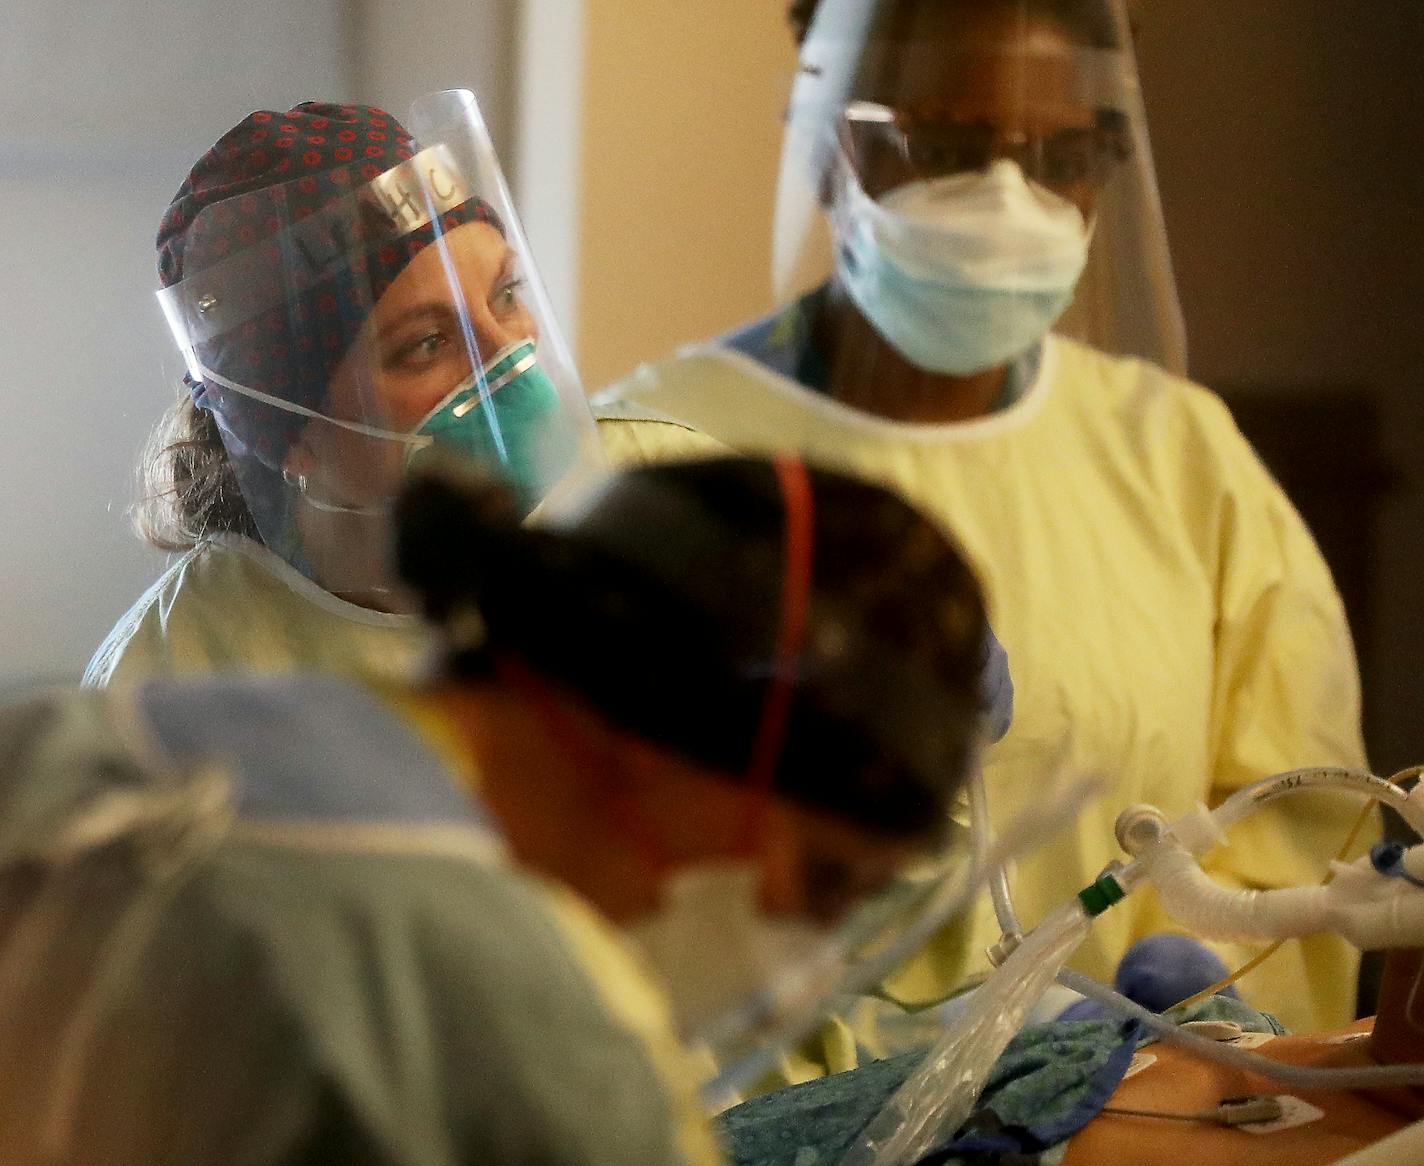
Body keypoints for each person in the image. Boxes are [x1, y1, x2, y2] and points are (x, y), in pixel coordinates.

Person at [594, 0, 1366, 1030]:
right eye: (944, 146)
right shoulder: (656, 454)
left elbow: (1298, 834)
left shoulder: (1180, 458)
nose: (1008, 200)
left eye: (1062, 154)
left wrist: (1205, 1012)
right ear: (825, 136)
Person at [0, 454, 994, 1165]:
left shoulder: (106, 745)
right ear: (652, 734)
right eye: (824, 880)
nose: (798, 971)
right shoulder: (540, 1039)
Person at [85, 91, 721, 688]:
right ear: (289, 435)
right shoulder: (183, 668)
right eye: (427, 343)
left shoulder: (687, 507)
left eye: (505, 295)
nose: (508, 353)